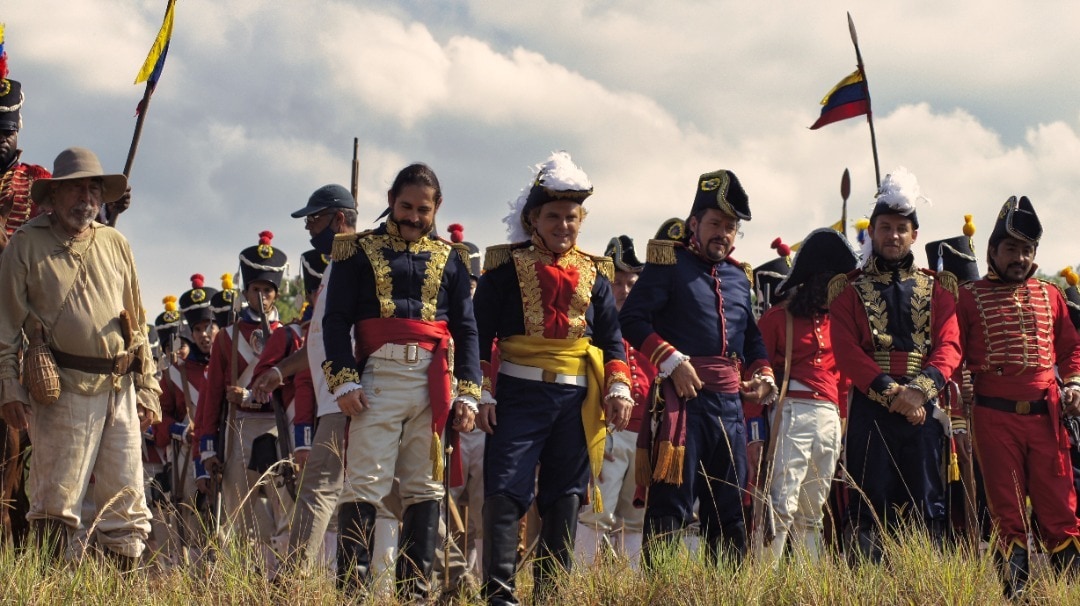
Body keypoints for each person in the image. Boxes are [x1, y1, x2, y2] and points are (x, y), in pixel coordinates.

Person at [473, 151, 632, 604]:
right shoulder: (503, 269)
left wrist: (618, 386)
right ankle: (500, 595)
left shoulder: (597, 274)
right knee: (505, 491)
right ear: (533, 218)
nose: (564, 225)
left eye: (573, 217)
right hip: (518, 394)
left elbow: (611, 339)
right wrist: (481, 391)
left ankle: (552, 595)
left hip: (577, 400)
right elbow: (480, 337)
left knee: (565, 497)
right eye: (554, 216)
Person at [322, 165, 480, 602]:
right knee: (364, 484)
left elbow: (467, 330)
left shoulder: (453, 257)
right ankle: (352, 592)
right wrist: (343, 380)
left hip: (433, 382)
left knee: (425, 486)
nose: (413, 217)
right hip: (377, 378)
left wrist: (469, 391)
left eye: (423, 210)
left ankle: (415, 592)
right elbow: (336, 320)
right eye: (406, 206)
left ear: (437, 208)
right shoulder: (356, 251)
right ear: (391, 198)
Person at [0, 147, 160, 566]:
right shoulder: (25, 244)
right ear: (52, 197)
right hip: (61, 387)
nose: (86, 198)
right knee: (55, 499)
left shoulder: (115, 242)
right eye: (75, 189)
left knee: (127, 503)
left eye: (93, 189)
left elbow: (137, 322)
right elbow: (4, 327)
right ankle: (49, 588)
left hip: (120, 389)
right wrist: (9, 386)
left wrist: (148, 386)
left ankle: (121, 590)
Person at [620, 169, 775, 565]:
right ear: (694, 224)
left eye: (730, 227)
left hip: (730, 409)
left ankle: (726, 592)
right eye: (715, 224)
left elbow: (753, 340)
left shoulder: (741, 278)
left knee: (729, 510)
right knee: (670, 509)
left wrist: (763, 376)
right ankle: (664, 595)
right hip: (682, 406)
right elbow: (632, 319)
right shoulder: (668, 263)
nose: (722, 233)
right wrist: (671, 362)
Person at [828, 168, 961, 563]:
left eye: (901, 228)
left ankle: (925, 583)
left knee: (926, 497)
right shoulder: (849, 288)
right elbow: (847, 351)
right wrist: (894, 393)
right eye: (884, 227)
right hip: (872, 407)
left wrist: (920, 390)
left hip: (923, 406)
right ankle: (868, 586)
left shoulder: (938, 287)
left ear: (914, 234)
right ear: (872, 232)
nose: (893, 236)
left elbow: (950, 344)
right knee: (872, 498)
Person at [955, 196, 1080, 597]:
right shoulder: (968, 296)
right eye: (1012, 249)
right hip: (994, 418)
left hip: (1047, 417)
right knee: (1007, 513)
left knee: (1061, 509)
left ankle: (1068, 594)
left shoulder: (1051, 294)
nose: (1020, 258)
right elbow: (952, 349)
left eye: (1027, 250)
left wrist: (1074, 383)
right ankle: (1016, 597)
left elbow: (1071, 348)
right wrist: (961, 388)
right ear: (993, 250)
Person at [250, 184, 359, 575]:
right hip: (336, 397)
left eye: (315, 218)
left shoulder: (356, 263)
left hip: (347, 396)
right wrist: (281, 370)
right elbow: (317, 344)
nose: (310, 227)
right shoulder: (335, 267)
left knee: (321, 490)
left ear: (340, 219)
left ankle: (292, 581)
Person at [194, 231, 293, 574]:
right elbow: (210, 400)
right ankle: (253, 570)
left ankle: (281, 571)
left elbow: (292, 389)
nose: (262, 296)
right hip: (239, 428)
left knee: (284, 501)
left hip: (277, 427)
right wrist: (207, 449)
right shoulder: (227, 337)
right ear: (246, 291)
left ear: (276, 293)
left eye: (268, 290)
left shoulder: (288, 333)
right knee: (239, 503)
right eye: (256, 289)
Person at [758, 228, 857, 564]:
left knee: (814, 511)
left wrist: (841, 427)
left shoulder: (841, 325)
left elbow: (843, 383)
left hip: (829, 419)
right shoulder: (776, 318)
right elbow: (757, 371)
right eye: (827, 281)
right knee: (781, 505)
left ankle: (807, 589)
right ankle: (762, 586)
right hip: (791, 412)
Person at [574, 234, 655, 569]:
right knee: (595, 515)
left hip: (641, 437)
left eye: (630, 282)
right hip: (605, 432)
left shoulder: (648, 329)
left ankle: (628, 591)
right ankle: (579, 590)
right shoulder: (594, 330)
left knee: (634, 520)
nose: (623, 290)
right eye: (617, 282)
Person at [0, 50, 50, 252]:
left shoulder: (37, 178)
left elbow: (69, 220)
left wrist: (107, 209)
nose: (2, 139)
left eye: (8, 132)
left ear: (18, 130)